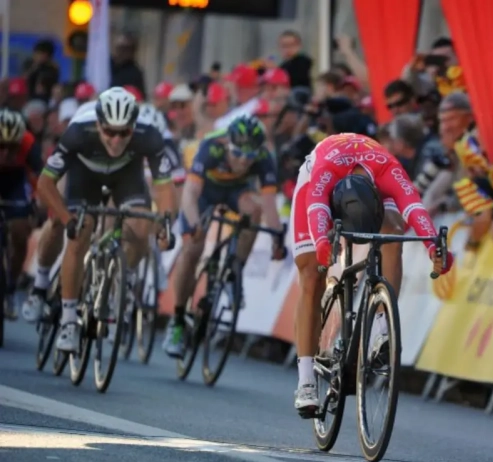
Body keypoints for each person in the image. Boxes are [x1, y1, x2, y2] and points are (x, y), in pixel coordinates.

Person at [291, 132, 455, 415]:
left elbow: (414, 208)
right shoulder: (325, 169)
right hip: (318, 181)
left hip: (369, 178)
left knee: (393, 231)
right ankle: (306, 381)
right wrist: (321, 244)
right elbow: (317, 205)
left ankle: (382, 323)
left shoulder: (388, 170)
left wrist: (435, 249)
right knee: (310, 275)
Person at [36, 87, 175, 352]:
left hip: (125, 177)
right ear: (98, 124)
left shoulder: (149, 136)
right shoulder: (79, 131)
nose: (116, 139)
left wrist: (165, 224)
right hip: (84, 175)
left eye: (124, 132)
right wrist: (67, 219)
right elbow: (45, 183)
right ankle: (68, 321)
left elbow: (165, 188)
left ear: (134, 127)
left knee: (141, 224)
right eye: (109, 131)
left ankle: (120, 284)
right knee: (81, 230)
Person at [164, 115, 285, 358]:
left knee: (255, 210)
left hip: (236, 191)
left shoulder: (263, 158)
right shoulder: (211, 147)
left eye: (249, 157)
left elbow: (270, 204)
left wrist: (276, 237)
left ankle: (233, 272)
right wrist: (195, 224)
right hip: (204, 190)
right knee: (192, 249)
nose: (243, 161)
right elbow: (190, 193)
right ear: (228, 145)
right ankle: (177, 320)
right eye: (238, 154)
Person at [0, 109, 42, 317]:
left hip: (16, 183)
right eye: (1, 147)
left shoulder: (29, 143)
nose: (7, 153)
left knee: (20, 230)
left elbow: (42, 177)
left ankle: (9, 288)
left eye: (12, 147)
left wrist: (38, 201)